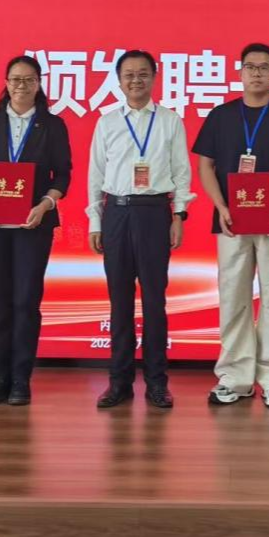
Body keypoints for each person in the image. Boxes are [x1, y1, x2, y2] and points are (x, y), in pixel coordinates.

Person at [193, 43, 269, 410]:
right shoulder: (221, 116)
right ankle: (235, 377)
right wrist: (220, 206)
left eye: (264, 67)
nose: (257, 73)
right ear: (240, 72)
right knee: (233, 297)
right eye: (250, 67)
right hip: (231, 221)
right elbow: (205, 165)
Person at [87, 50, 193, 410]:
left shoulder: (170, 121)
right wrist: (95, 220)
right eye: (129, 74)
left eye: (143, 74)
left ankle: (157, 383)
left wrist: (178, 215)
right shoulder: (107, 122)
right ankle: (118, 382)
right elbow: (95, 175)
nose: (136, 80)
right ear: (119, 81)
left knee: (154, 302)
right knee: (119, 302)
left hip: (154, 214)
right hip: (116, 213)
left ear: (154, 78)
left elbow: (181, 171)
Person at [0, 54, 72, 407]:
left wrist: (45, 205)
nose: (21, 86)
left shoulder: (52, 125)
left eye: (28, 80)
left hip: (33, 225)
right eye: (15, 79)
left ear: (39, 84)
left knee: (26, 301)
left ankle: (21, 379)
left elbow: (63, 175)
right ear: (6, 83)